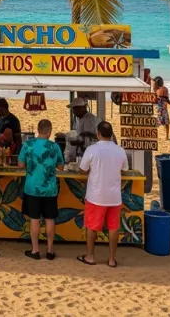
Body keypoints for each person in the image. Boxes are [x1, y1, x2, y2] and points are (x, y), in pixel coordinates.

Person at [77, 121, 128, 268]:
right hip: (114, 196)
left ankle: (90, 256)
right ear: (111, 134)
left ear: (98, 134)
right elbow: (124, 169)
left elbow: (82, 170)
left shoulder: (92, 150)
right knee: (113, 228)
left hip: (96, 196)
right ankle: (112, 259)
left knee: (92, 226)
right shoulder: (120, 150)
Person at [18, 119, 64, 260]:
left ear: (38, 130)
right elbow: (61, 167)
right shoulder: (54, 147)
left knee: (34, 219)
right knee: (50, 219)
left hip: (32, 188)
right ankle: (50, 251)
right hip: (49, 189)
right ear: (49, 131)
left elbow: (20, 165)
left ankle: (35, 250)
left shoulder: (27, 144)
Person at [64, 97, 100, 163]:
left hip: (91, 155)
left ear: (81, 108)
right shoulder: (82, 119)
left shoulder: (89, 119)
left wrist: (74, 142)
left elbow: (88, 140)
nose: (73, 113)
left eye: (74, 110)